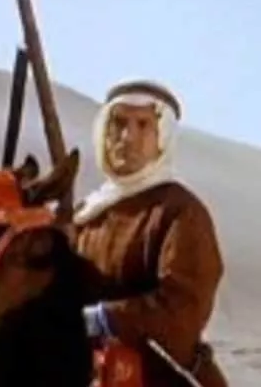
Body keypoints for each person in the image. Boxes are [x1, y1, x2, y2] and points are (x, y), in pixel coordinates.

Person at [72, 79, 228, 386]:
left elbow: (183, 307)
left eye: (143, 125)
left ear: (163, 137)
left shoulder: (181, 211)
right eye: (119, 123)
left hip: (162, 376)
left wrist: (107, 318)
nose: (127, 137)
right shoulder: (86, 215)